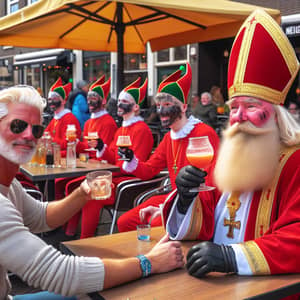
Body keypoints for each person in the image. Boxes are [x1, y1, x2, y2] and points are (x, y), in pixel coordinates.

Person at [0, 85, 184, 300]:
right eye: (18, 125)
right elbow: (61, 274)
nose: (30, 135)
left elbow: (40, 216)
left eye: (37, 129)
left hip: (129, 183)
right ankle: (80, 244)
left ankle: (82, 244)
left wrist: (82, 193)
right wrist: (150, 262)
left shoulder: (10, 185)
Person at [161, 9, 300, 285]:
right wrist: (187, 199)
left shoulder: (294, 162)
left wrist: (231, 256)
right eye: (235, 107)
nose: (238, 117)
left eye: (251, 107)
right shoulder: (229, 156)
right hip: (210, 283)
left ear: (275, 113)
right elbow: (209, 214)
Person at [117, 63, 219, 232]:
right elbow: (149, 170)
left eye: (168, 105)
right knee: (124, 222)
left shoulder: (204, 133)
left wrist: (167, 207)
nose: (161, 111)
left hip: (197, 204)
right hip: (173, 197)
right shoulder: (168, 138)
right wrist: (130, 158)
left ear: (184, 107)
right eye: (159, 106)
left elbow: (210, 185)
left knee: (154, 226)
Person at [63, 77, 154, 238]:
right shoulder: (121, 130)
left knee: (90, 194)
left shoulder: (141, 129)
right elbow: (112, 157)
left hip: (127, 183)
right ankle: (70, 233)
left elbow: (134, 167)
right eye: (118, 101)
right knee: (76, 186)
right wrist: (100, 147)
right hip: (113, 176)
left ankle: (85, 242)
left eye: (124, 102)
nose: (119, 105)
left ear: (135, 107)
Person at [63, 75, 118, 236]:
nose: (90, 100)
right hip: (90, 169)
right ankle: (68, 232)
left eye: (94, 97)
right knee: (70, 186)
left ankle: (81, 238)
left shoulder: (108, 122)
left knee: (79, 191)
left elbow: (104, 155)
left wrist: (81, 148)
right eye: (89, 97)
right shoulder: (88, 123)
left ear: (103, 101)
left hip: (103, 173)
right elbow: (88, 149)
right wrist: (75, 145)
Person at [45, 77, 81, 156]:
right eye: (49, 99)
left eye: (55, 99)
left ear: (64, 101)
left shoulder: (70, 119)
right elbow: (45, 136)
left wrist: (51, 141)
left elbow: (69, 145)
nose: (51, 102)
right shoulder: (55, 119)